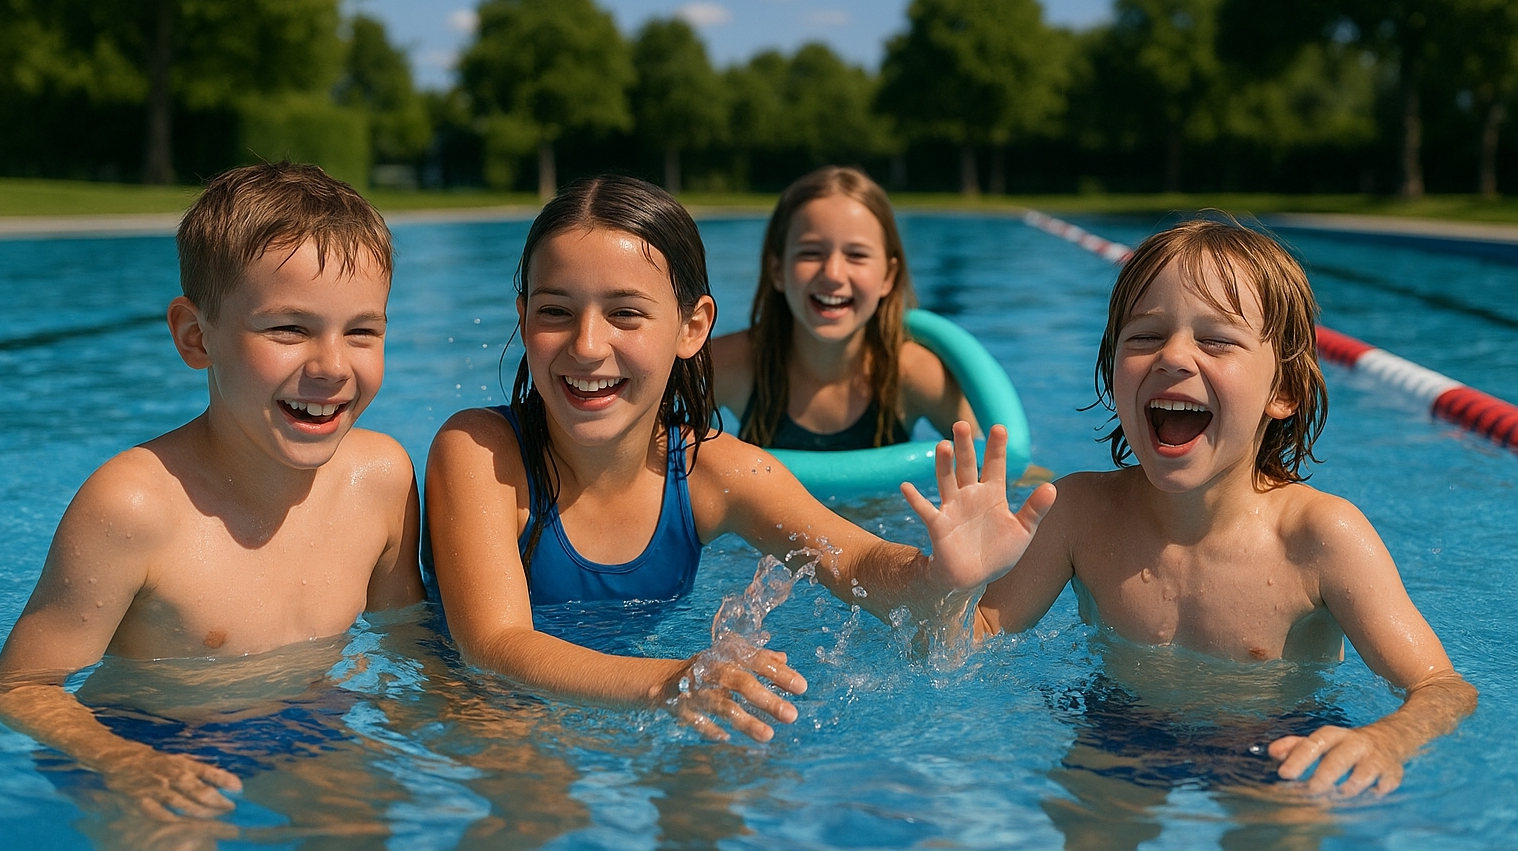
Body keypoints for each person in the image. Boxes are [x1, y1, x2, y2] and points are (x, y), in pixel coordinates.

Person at [424, 175, 1053, 743]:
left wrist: (935, 576)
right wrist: (668, 682)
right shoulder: (481, 453)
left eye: (625, 314)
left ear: (692, 328)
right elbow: (494, 646)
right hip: (494, 710)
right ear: (523, 315)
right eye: (555, 312)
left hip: (655, 692)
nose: (587, 345)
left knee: (732, 757)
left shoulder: (714, 472)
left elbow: (855, 559)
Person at [971, 217, 1476, 797]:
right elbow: (971, 642)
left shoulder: (1319, 538)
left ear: (1282, 391)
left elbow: (1443, 689)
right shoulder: (1079, 513)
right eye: (1143, 336)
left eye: (1216, 340)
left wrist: (1386, 739)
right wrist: (954, 583)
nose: (1174, 356)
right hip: (1121, 724)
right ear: (1114, 372)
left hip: (1276, 739)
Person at [0, 162, 424, 820]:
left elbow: (404, 633)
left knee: (364, 824)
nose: (332, 365)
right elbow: (18, 687)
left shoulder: (380, 479)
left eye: (361, 330)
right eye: (288, 329)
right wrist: (123, 761)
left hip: (310, 721)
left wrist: (448, 718)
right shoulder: (134, 507)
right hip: (143, 738)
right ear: (196, 336)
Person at [714, 167, 978, 451]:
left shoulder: (911, 373)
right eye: (811, 253)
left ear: (888, 277)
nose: (833, 274)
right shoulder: (731, 365)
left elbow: (996, 467)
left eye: (856, 255)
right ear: (777, 269)